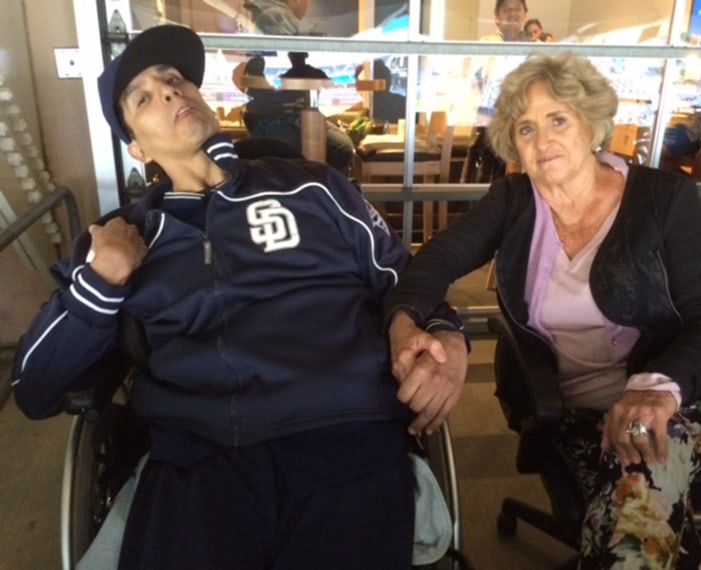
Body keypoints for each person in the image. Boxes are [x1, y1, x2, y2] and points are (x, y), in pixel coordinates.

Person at [12, 24, 468, 570]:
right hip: (199, 460)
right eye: (144, 97)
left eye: (175, 79)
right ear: (134, 144)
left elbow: (403, 276)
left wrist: (444, 333)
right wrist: (100, 283)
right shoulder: (120, 237)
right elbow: (33, 390)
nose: (170, 91)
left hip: (343, 438)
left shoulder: (313, 187)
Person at [385, 51, 701, 568]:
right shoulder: (514, 199)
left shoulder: (664, 199)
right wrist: (407, 324)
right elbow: (437, 260)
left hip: (687, 391)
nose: (543, 140)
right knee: (639, 519)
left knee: (637, 478)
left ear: (592, 124)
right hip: (578, 413)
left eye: (557, 119)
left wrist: (653, 390)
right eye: (525, 129)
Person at [239, 52, 355, 173]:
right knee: (341, 148)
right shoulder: (284, 79)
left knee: (341, 147)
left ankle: (323, 181)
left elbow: (328, 84)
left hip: (290, 121)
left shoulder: (304, 72)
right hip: (276, 123)